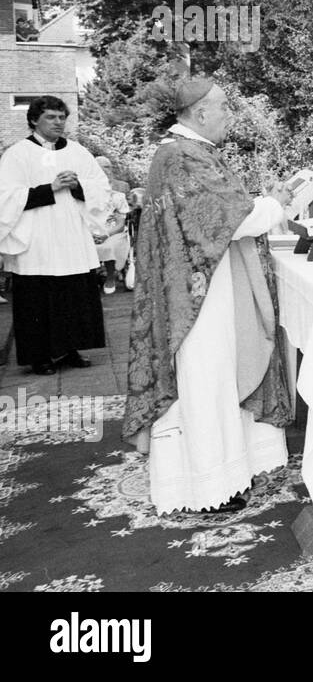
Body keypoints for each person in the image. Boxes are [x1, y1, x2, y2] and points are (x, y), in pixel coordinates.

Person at [124, 77, 295, 515]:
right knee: (207, 377)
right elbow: (229, 222)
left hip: (206, 284)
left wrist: (266, 203)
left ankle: (232, 470)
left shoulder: (188, 153)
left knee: (220, 374)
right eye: (224, 107)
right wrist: (276, 203)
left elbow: (220, 213)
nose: (230, 115)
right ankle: (208, 484)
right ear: (200, 113)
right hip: (198, 296)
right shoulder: (182, 156)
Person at [0, 96, 110, 374]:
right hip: (37, 238)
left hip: (71, 235)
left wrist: (78, 185)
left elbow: (101, 186)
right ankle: (40, 357)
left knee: (72, 295)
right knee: (38, 298)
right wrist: (50, 188)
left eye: (62, 117)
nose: (58, 122)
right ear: (34, 119)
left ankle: (70, 349)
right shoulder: (18, 154)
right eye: (51, 117)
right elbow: (5, 197)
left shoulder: (77, 151)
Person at [93, 157, 132, 294]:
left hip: (113, 229)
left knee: (108, 246)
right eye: (100, 167)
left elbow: (122, 221)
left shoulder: (119, 193)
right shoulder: (86, 194)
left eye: (107, 167)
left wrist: (105, 234)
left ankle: (110, 277)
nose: (104, 171)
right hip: (91, 229)